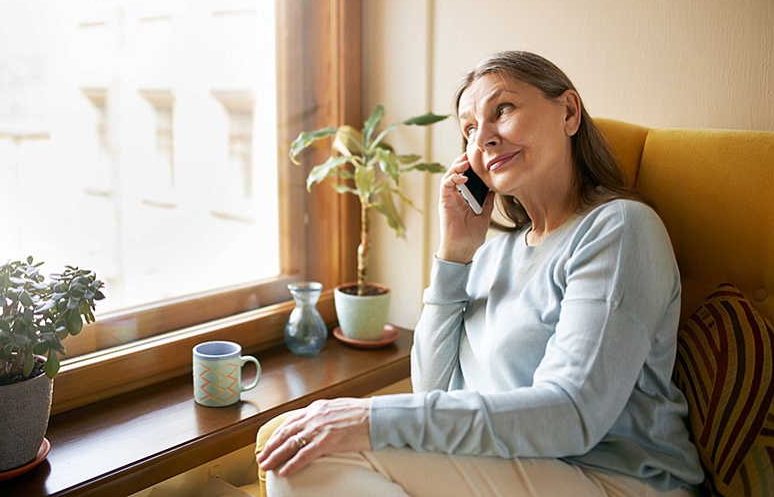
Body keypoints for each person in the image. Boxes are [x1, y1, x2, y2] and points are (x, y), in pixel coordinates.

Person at [256, 51, 704, 496]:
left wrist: (368, 418)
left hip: (614, 480)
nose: (484, 138)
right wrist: (453, 255)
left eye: (502, 110)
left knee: (305, 462)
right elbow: (432, 390)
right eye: (469, 129)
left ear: (568, 112)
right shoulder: (491, 256)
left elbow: (572, 414)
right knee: (297, 455)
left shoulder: (618, 228)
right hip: (508, 470)